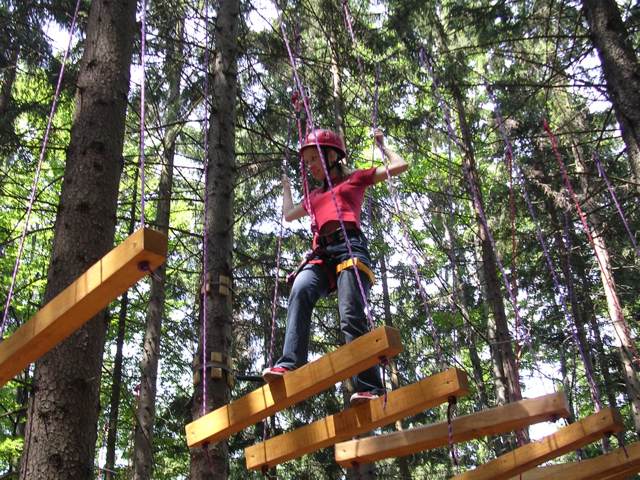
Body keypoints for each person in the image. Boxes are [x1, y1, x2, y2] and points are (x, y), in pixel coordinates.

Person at [262, 127, 408, 405]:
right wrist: (286, 188)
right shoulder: (315, 196)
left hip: (350, 247)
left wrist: (382, 145)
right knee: (301, 289)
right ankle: (290, 363)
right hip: (322, 254)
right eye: (307, 163)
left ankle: (370, 387)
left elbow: (399, 166)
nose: (310, 167)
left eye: (314, 160)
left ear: (331, 156)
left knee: (351, 314)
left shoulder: (354, 179)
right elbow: (288, 215)